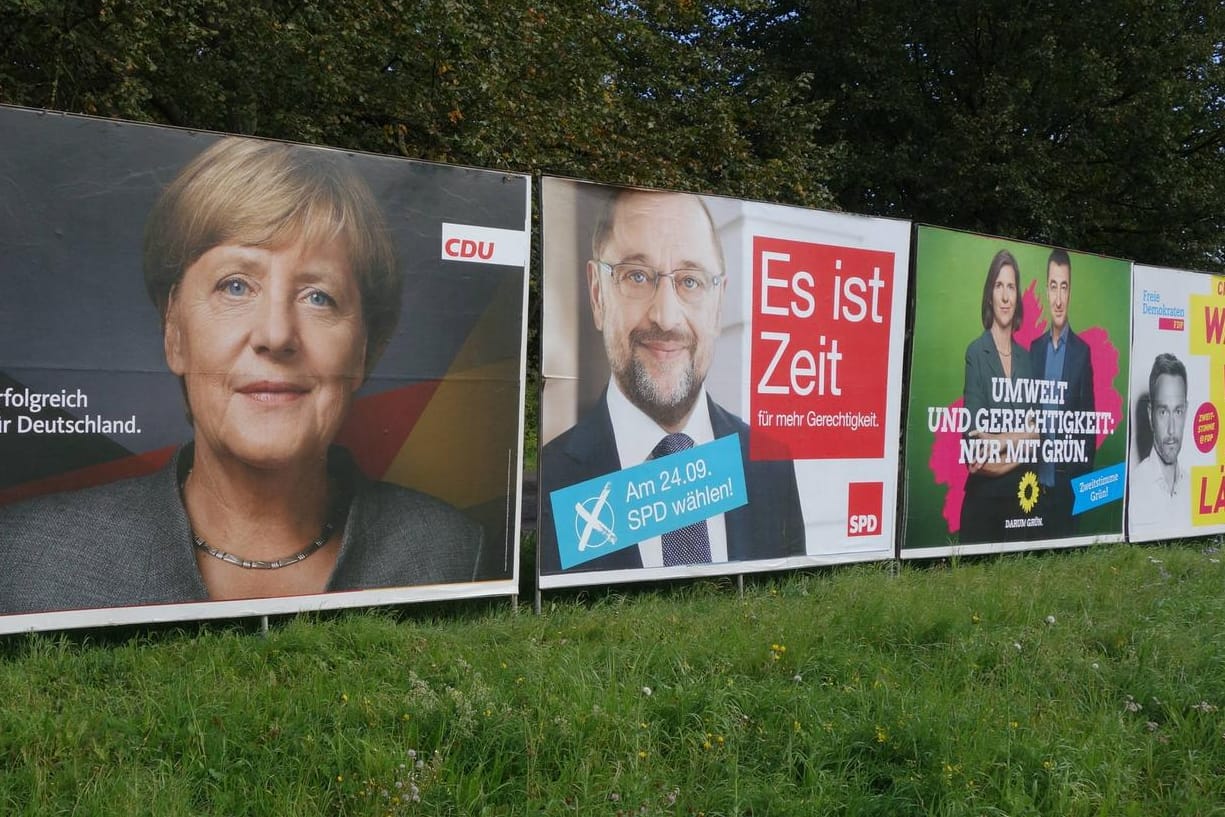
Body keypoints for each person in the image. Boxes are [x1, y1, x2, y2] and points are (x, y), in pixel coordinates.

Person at [0, 137, 482, 615]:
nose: (276, 335)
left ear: (363, 350)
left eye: (318, 296)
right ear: (174, 334)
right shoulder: (27, 561)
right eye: (235, 286)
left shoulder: (450, 552)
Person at [539, 188, 805, 574]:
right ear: (598, 294)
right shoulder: (553, 477)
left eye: (690, 281)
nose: (665, 316)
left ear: (718, 304)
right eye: (636, 276)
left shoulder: (771, 465)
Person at [959, 250, 1041, 543]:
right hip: (984, 506)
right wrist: (1022, 441)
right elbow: (976, 449)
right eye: (998, 286)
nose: (1005, 296)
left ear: (1017, 295)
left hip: (1023, 501)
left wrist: (997, 442)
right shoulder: (975, 353)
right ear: (989, 294)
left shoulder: (1028, 359)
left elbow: (1039, 436)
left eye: (1011, 287)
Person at [1029, 249, 1095, 537]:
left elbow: (1089, 425)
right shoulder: (1034, 349)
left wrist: (1080, 489)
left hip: (1068, 485)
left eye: (1064, 287)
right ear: (1046, 289)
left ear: (1070, 292)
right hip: (1033, 483)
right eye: (1053, 286)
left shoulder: (1082, 353)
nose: (1058, 298)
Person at [1129, 353, 1189, 534]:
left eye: (1177, 411)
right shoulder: (1134, 487)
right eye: (1163, 412)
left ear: (1186, 412)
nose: (1171, 430)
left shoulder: (1193, 486)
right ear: (1150, 414)